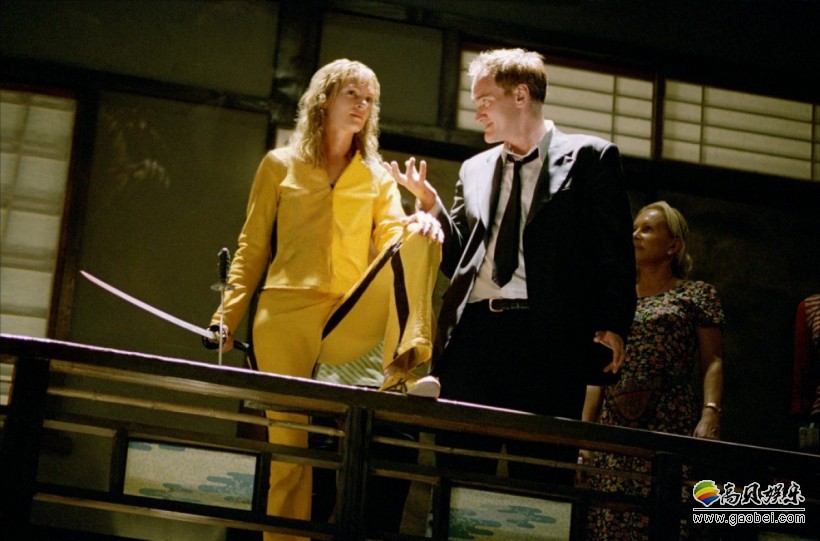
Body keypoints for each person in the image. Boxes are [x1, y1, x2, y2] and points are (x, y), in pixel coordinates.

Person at [205, 59, 442, 541]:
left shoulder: (376, 177)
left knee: (421, 236)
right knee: (290, 453)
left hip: (346, 314)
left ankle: (404, 369)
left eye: (369, 99)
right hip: (283, 315)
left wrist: (424, 217)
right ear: (324, 99)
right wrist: (223, 319)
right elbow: (252, 247)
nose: (361, 105)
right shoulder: (279, 165)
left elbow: (392, 242)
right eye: (352, 94)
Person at [386, 48, 636, 480]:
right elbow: (458, 260)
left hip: (549, 338)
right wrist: (432, 206)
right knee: (459, 472)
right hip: (473, 337)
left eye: (485, 100)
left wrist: (614, 323)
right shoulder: (474, 168)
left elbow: (613, 251)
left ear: (520, 95)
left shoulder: (591, 157)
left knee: (541, 476)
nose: (478, 113)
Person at [581, 200, 725, 539]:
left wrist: (710, 412)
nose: (635, 235)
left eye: (647, 229)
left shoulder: (696, 295)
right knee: (610, 522)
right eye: (634, 228)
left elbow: (713, 360)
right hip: (615, 429)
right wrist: (585, 438)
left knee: (666, 520)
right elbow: (597, 375)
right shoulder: (616, 300)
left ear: (673, 245)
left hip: (669, 423)